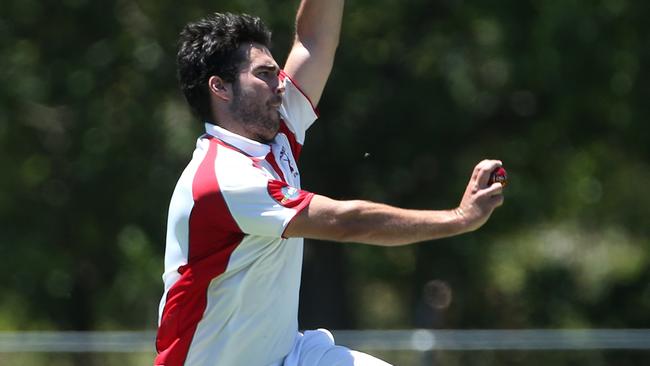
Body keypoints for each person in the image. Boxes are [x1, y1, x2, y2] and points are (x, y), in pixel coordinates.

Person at [155, 0, 504, 365]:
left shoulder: (275, 133)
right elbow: (346, 221)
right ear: (220, 88)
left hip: (289, 355)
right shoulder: (222, 177)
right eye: (264, 74)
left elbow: (313, 41)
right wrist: (459, 218)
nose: (279, 85)